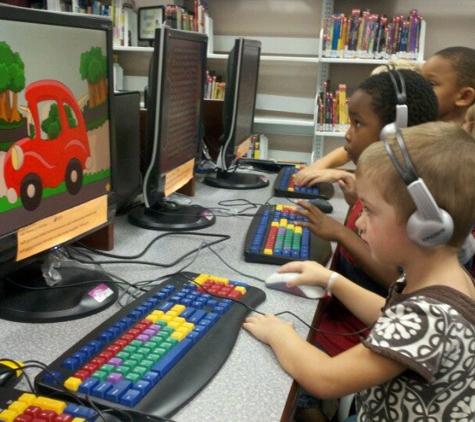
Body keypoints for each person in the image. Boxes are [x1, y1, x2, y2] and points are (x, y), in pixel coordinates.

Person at [243, 122, 475, 421]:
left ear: (425, 226)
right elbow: (388, 313)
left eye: (369, 210)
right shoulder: (445, 279)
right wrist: (331, 279)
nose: (359, 222)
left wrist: (279, 334)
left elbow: (325, 378)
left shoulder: (429, 319)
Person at [294, 47, 475, 188]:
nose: (420, 87)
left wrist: (341, 175)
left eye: (431, 83)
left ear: (464, 97)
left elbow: (402, 189)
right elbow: (352, 148)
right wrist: (319, 166)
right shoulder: (420, 122)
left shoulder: (450, 150)